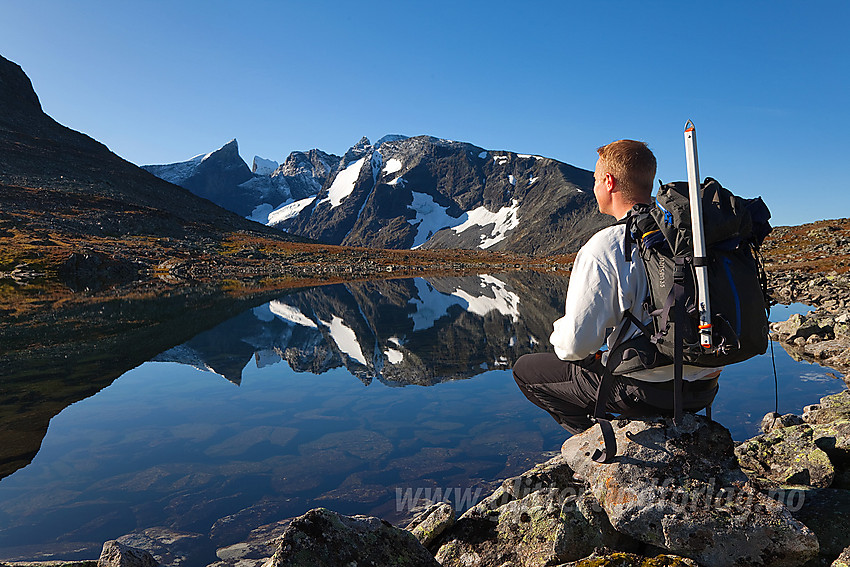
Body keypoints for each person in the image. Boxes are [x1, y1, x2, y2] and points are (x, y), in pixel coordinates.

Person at [512, 139, 720, 434]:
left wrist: (560, 337)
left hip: (643, 392)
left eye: (596, 179)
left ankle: (593, 441)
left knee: (525, 370)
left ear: (609, 182)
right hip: (704, 387)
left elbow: (574, 346)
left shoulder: (606, 246)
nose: (595, 186)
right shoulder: (688, 239)